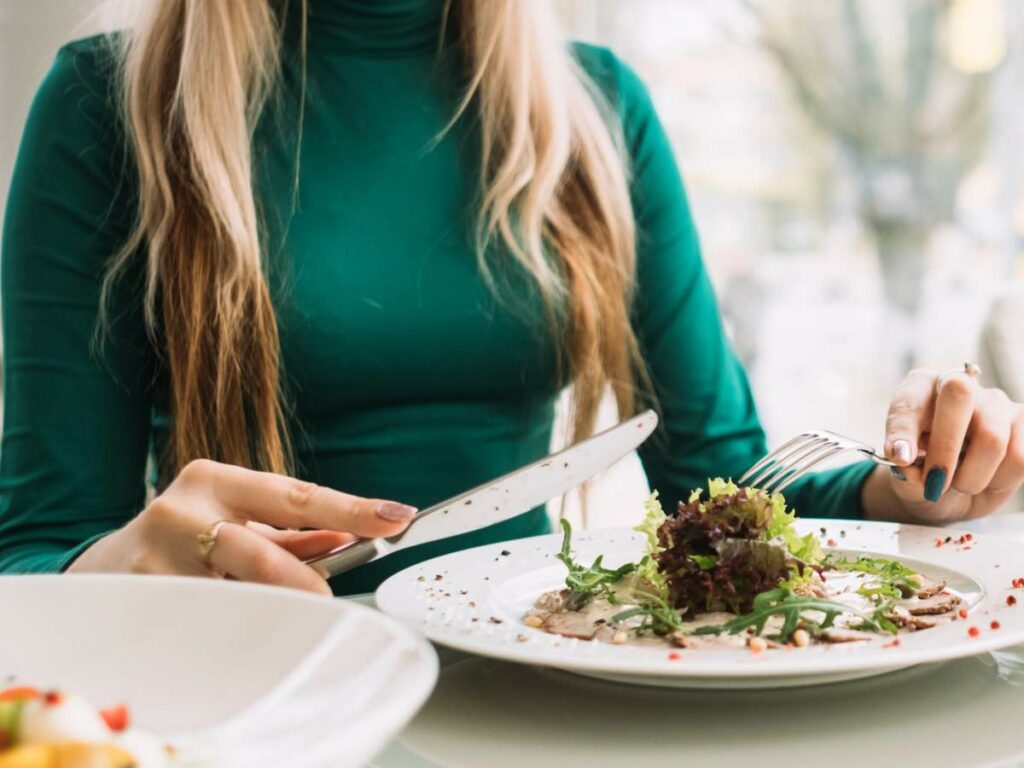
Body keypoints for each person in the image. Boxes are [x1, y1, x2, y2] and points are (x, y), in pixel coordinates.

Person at [2, 0, 1021, 597]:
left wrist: (916, 481)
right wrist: (133, 562)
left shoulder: (596, 108)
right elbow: (41, 551)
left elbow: (718, 479)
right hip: (256, 695)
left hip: (529, 669)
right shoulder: (110, 102)